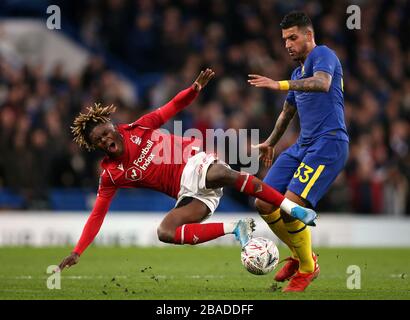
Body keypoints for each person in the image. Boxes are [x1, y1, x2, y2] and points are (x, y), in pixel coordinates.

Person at [57, 68, 317, 271]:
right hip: (188, 193)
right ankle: (236, 228)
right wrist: (78, 251)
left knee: (223, 174)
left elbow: (172, 107)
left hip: (195, 161)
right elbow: (97, 215)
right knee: (165, 232)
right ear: (94, 147)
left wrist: (194, 90)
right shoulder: (111, 175)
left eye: (104, 133)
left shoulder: (139, 128)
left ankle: (292, 208)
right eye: (98, 141)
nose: (104, 141)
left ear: (112, 126)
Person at [248, 11, 349, 292]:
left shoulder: (323, 55)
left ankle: (307, 267)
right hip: (302, 145)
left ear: (308, 35)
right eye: (284, 40)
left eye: (293, 37)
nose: (288, 45)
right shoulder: (295, 73)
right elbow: (287, 113)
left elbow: (322, 83)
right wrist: (270, 142)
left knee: (291, 209)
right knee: (264, 202)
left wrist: (277, 84)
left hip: (328, 143)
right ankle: (299, 254)